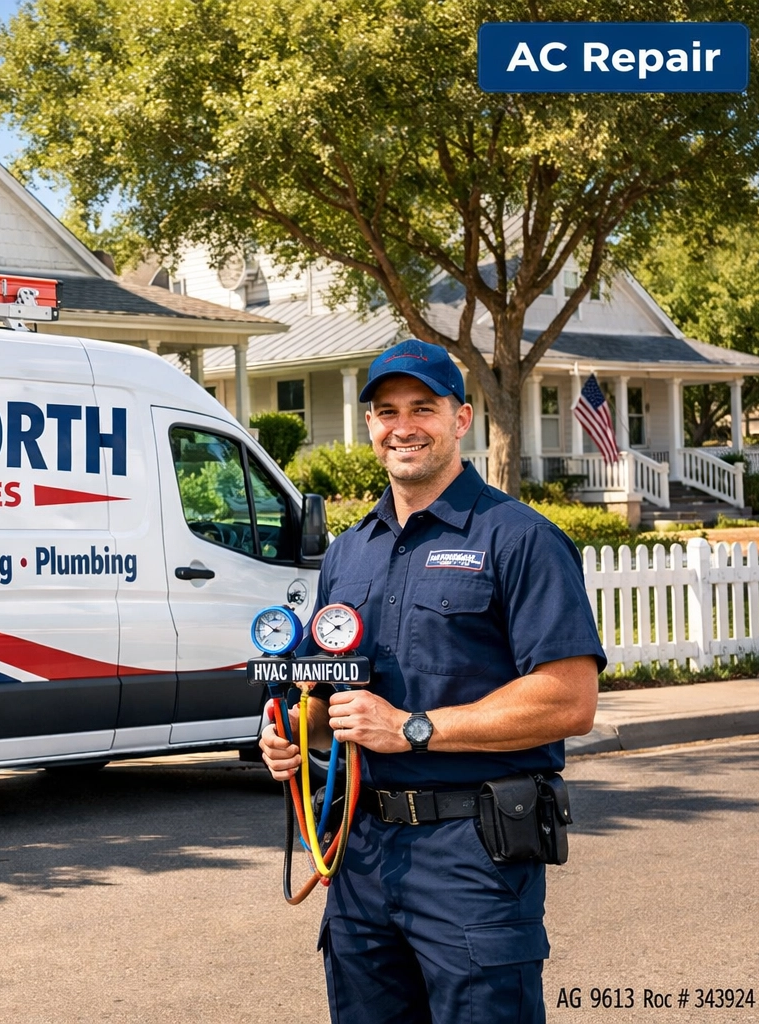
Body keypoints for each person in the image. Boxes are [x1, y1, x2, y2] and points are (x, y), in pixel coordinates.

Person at [260, 339, 605, 1024]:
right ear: (369, 426)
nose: (403, 425)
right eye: (386, 411)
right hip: (360, 855)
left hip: (472, 855)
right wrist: (295, 732)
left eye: (424, 407)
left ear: (462, 419)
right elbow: (329, 694)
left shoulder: (519, 538)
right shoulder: (350, 551)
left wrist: (412, 729)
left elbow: (570, 699)